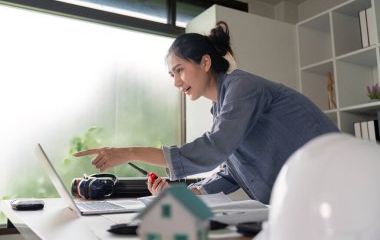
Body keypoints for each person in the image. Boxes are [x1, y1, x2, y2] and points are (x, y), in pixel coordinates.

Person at [74, 21, 339, 204]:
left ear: (205, 62)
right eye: (171, 74)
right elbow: (231, 171)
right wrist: (192, 193)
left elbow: (215, 147)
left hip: (335, 184)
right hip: (299, 202)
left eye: (179, 70)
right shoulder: (221, 108)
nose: (176, 82)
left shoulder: (243, 87)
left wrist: (129, 153)